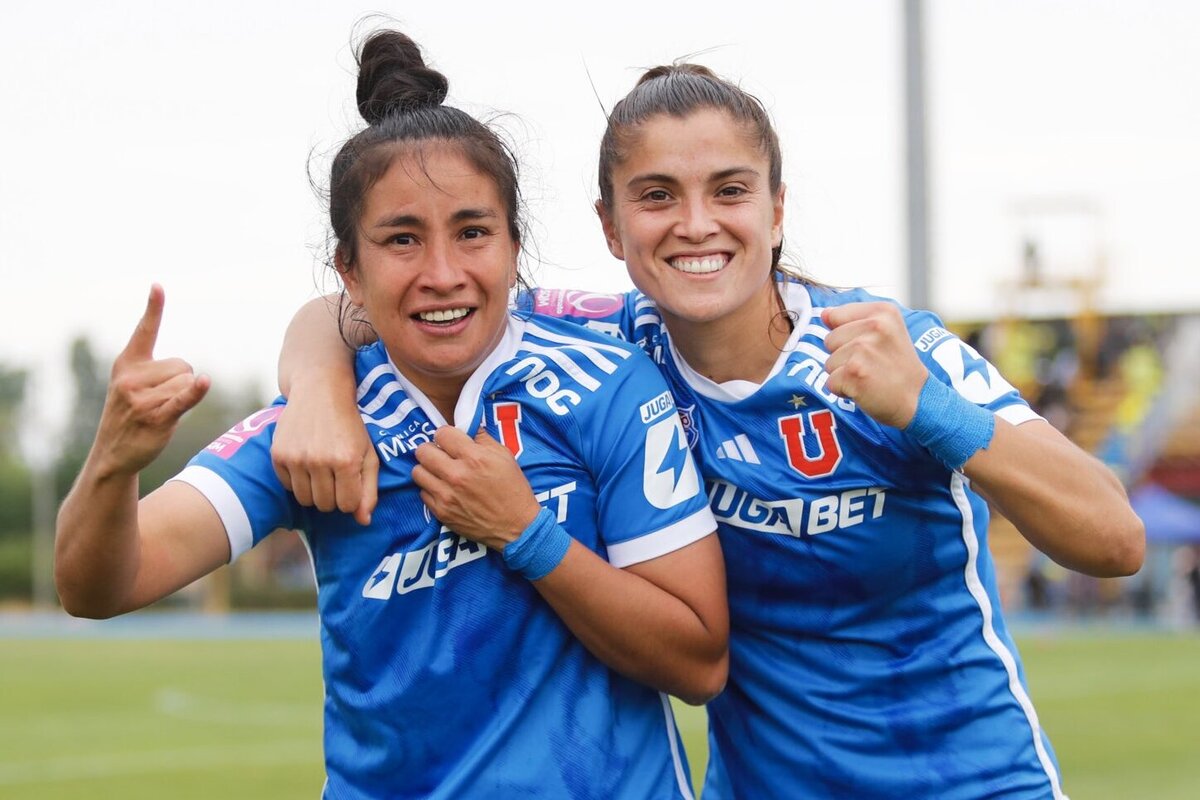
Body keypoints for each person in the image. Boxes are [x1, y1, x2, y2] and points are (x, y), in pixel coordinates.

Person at [275, 63, 1145, 798]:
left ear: (776, 211)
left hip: (969, 781)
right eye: (658, 197)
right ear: (611, 228)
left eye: (729, 190)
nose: (696, 224)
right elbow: (369, 302)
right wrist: (316, 393)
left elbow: (1114, 538)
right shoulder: (609, 344)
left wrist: (929, 408)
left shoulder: (884, 347)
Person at [55, 32, 729, 800]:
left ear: (515, 246)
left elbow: (698, 663)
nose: (443, 274)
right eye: (401, 240)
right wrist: (112, 463)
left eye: (473, 232)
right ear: (350, 267)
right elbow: (99, 586)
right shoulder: (317, 429)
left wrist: (525, 533)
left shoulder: (606, 382)